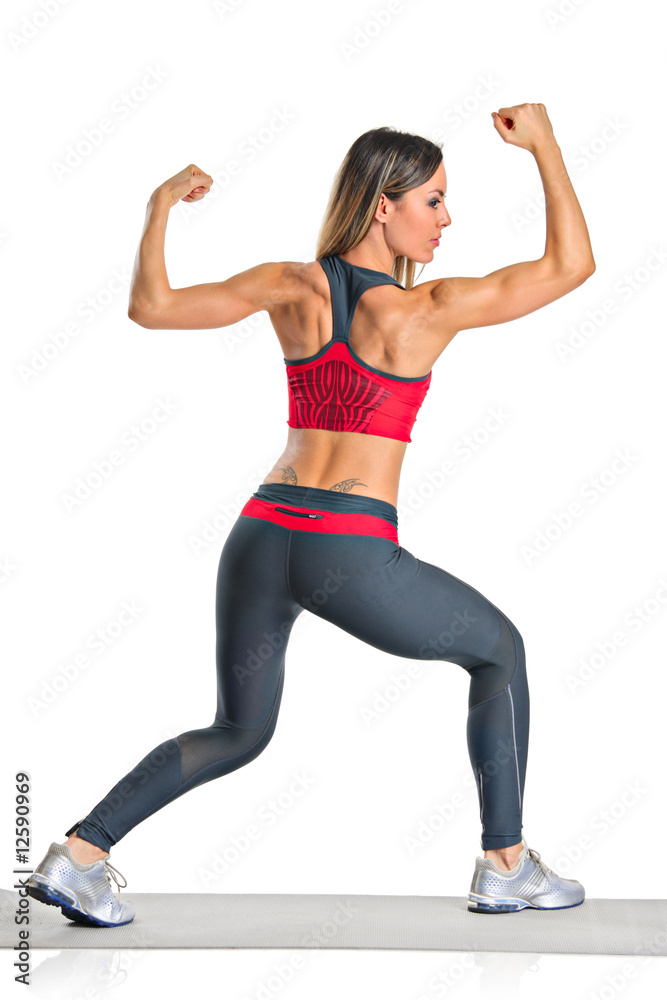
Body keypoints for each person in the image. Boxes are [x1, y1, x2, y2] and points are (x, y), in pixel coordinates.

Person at [28, 104, 595, 926]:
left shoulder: (285, 286)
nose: (446, 219)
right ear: (382, 206)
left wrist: (158, 209)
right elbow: (570, 265)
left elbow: (150, 308)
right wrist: (543, 145)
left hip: (260, 535)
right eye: (432, 201)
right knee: (498, 651)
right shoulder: (421, 311)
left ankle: (79, 855)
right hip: (348, 548)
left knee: (237, 730)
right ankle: (505, 865)